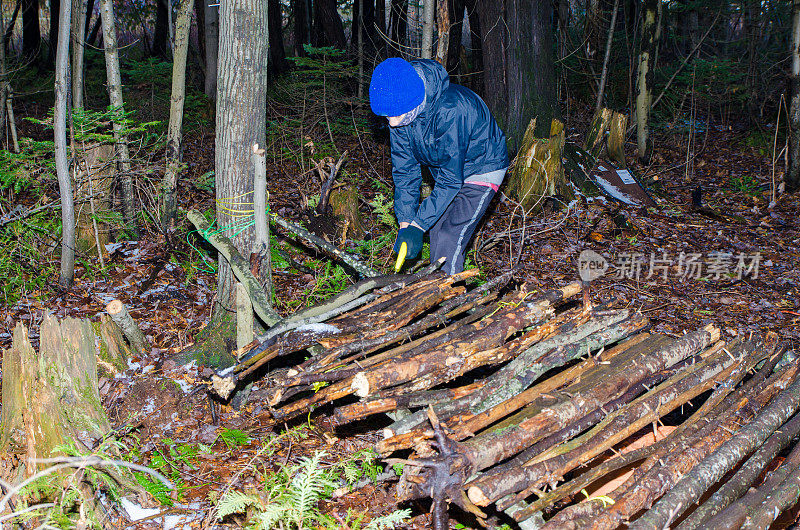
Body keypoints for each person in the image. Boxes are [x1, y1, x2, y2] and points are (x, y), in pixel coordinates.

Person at [369, 57, 509, 275]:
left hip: (483, 166)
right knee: (435, 229)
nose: (392, 123)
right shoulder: (400, 110)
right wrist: (407, 224)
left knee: (450, 235)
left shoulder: (451, 110)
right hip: (450, 170)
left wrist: (418, 225)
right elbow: (405, 172)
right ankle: (436, 291)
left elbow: (450, 180)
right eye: (387, 116)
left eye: (396, 115)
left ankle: (448, 300)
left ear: (414, 101)